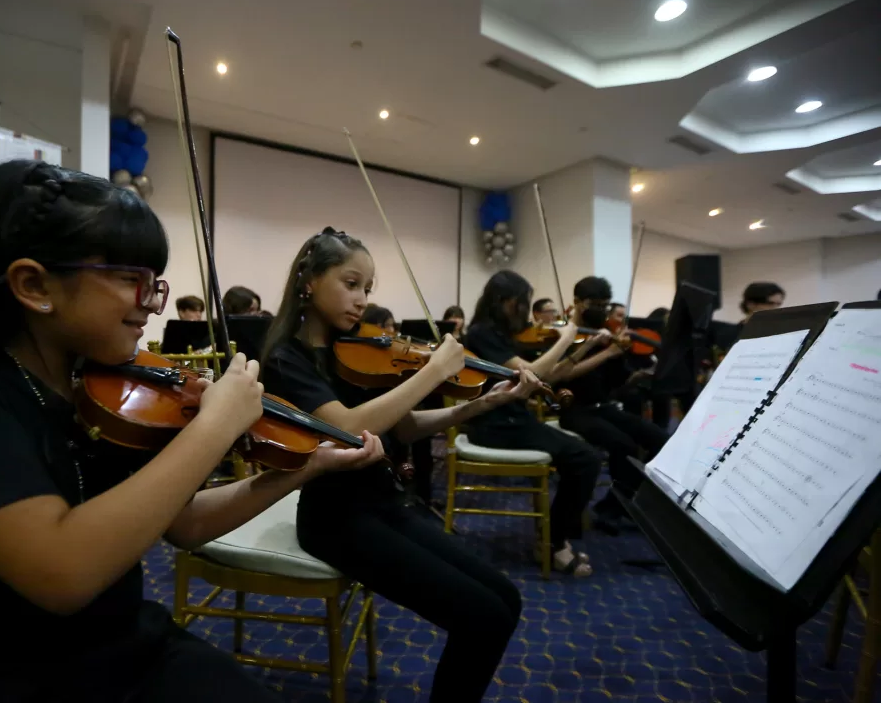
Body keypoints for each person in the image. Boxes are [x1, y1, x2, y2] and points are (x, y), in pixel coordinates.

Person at [0, 161, 385, 702]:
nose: (149, 304)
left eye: (155, 283)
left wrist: (303, 469)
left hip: (121, 646)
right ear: (34, 284)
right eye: (132, 280)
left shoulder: (89, 387)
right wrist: (216, 427)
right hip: (3, 677)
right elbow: (62, 573)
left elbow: (187, 522)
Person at [260, 227, 544, 703]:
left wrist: (475, 406)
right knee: (483, 616)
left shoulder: (356, 352)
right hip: (336, 518)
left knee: (507, 599)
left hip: (387, 503)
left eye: (367, 289)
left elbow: (402, 427)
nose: (361, 300)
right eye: (351, 284)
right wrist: (434, 370)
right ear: (308, 280)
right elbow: (347, 427)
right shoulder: (288, 359)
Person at [464, 270, 603, 576]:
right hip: (494, 425)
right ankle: (553, 543)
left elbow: (550, 377)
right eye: (522, 304)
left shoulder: (501, 334)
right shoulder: (481, 333)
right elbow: (531, 375)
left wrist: (581, 347)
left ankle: (554, 535)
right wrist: (565, 338)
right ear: (503, 301)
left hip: (513, 418)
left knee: (582, 456)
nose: (526, 312)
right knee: (585, 459)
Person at [551, 276, 669, 533]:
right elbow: (560, 376)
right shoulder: (562, 335)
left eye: (605, 305)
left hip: (602, 407)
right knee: (624, 445)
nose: (601, 311)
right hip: (573, 410)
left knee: (660, 439)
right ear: (577, 302)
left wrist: (635, 373)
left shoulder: (606, 336)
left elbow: (617, 383)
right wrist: (606, 353)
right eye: (594, 304)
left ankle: (614, 505)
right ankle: (612, 510)